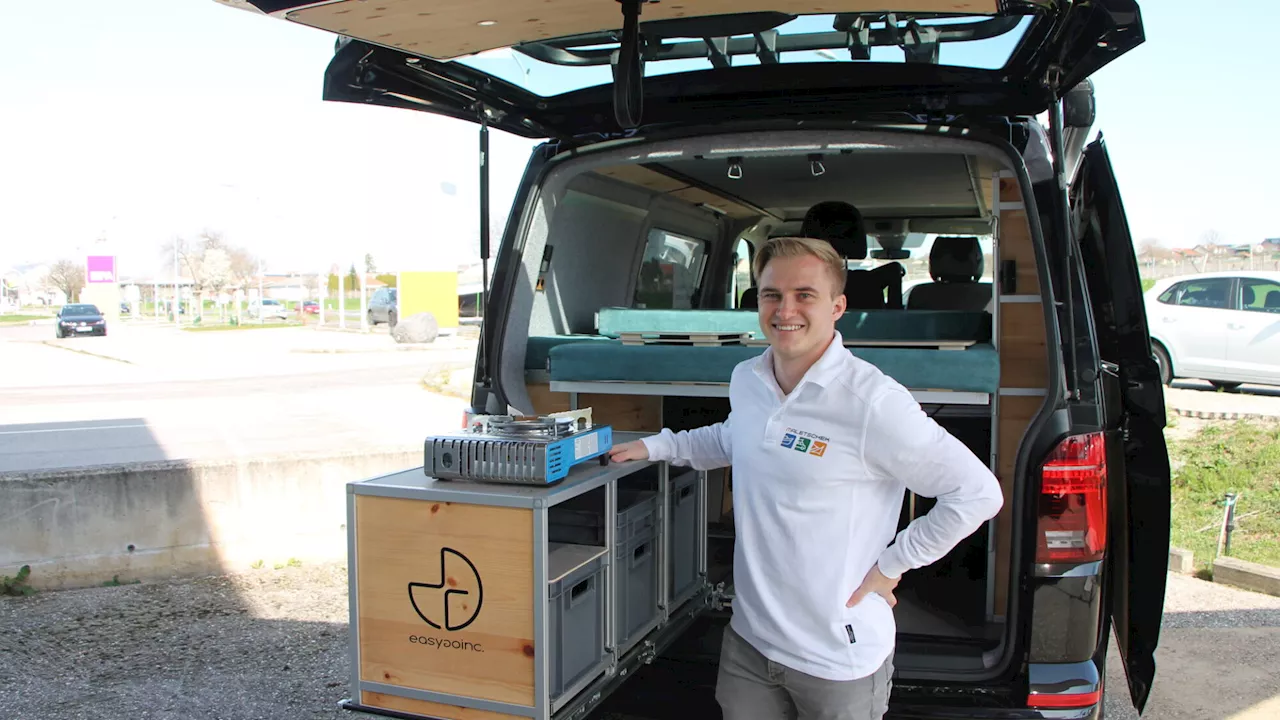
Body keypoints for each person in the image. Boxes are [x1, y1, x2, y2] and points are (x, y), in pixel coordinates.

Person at [609, 235, 1004, 720]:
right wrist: (656, 446)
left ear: (838, 307)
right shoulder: (748, 379)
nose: (784, 309)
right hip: (750, 644)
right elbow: (733, 438)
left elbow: (977, 493)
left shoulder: (872, 403)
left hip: (838, 661)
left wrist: (892, 565)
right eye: (771, 294)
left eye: (804, 295)